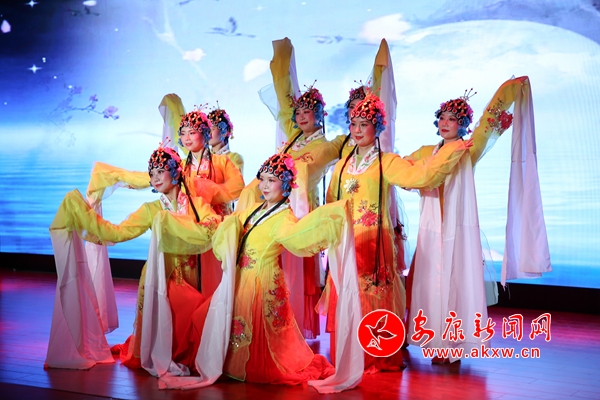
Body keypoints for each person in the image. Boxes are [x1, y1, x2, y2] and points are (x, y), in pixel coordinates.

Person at [324, 92, 473, 372]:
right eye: (353, 124)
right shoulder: (342, 165)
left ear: (377, 127)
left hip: (373, 242)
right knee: (345, 294)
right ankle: (347, 352)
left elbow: (421, 177)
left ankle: (375, 354)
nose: (357, 130)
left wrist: (452, 150)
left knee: (373, 297)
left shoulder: (387, 162)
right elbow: (332, 202)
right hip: (345, 242)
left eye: (364, 124)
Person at [46, 144, 221, 373]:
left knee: (197, 319)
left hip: (195, 276)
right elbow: (117, 232)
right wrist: (81, 212)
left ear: (175, 172)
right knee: (189, 310)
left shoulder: (196, 205)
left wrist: (175, 222)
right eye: (152, 173)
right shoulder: (151, 210)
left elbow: (212, 225)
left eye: (161, 171)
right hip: (163, 277)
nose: (155, 178)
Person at [405, 77, 537, 363]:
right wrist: (410, 179)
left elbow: (487, 124)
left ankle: (452, 344)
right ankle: (431, 339)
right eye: (442, 117)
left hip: (456, 229)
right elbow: (405, 170)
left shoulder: (467, 149)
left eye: (453, 119)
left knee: (455, 282)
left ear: (462, 124)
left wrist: (509, 91)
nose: (445, 123)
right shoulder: (427, 152)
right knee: (429, 284)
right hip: (431, 228)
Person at [208, 153, 356, 385]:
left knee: (266, 331)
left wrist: (331, 218)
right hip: (242, 277)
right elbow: (233, 222)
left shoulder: (284, 217)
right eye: (262, 180)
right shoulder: (254, 209)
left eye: (272, 180)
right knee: (239, 323)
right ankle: (234, 363)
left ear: (286, 185)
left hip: (263, 280)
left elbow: (298, 236)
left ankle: (259, 365)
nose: (265, 186)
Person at [178, 109, 245, 297]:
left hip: (216, 223)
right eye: (183, 133)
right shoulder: (181, 164)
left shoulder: (223, 161)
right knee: (189, 275)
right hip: (189, 223)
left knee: (214, 276)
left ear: (205, 133)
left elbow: (237, 187)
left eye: (192, 132)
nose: (187, 138)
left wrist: (207, 191)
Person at [207, 106, 244, 174]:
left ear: (224, 132)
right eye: (206, 129)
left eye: (212, 129)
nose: (208, 133)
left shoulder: (234, 158)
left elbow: (235, 179)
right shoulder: (204, 157)